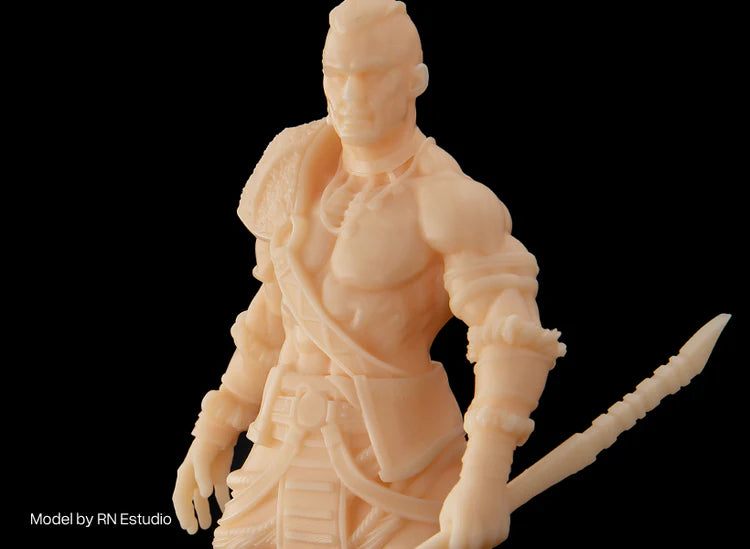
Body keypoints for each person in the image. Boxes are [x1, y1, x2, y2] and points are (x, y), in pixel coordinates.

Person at [174, 1, 565, 547]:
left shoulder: (447, 200)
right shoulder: (298, 176)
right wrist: (217, 427)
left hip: (399, 473)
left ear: (415, 81)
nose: (350, 95)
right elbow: (272, 319)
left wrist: (482, 476)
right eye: (336, 74)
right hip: (279, 455)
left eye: (372, 75)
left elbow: (510, 336)